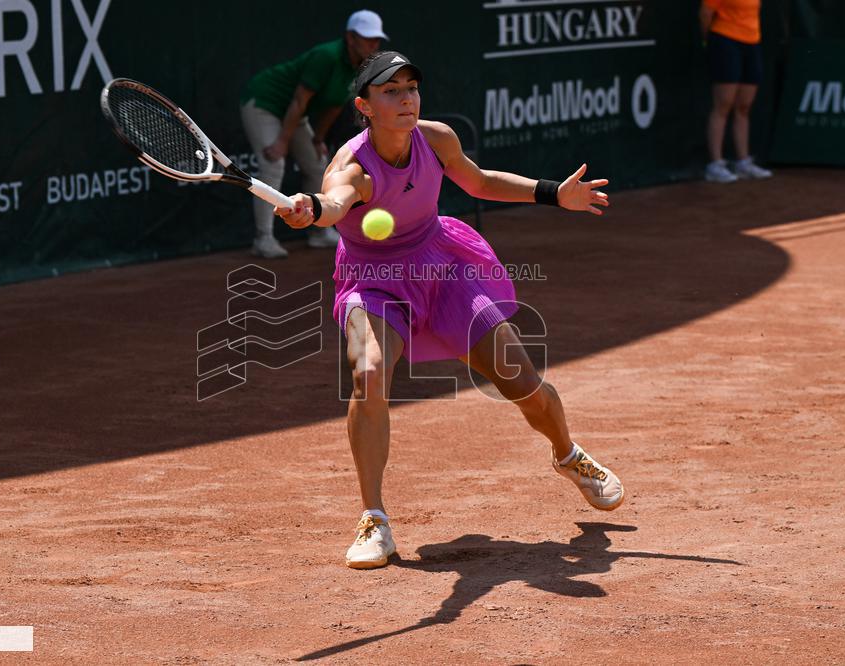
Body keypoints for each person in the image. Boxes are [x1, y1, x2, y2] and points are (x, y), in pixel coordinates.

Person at [273, 51, 624, 570]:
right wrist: (311, 209)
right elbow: (335, 201)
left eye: (411, 87)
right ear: (363, 106)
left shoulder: (435, 139)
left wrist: (553, 194)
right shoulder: (351, 166)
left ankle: (568, 455)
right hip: (375, 281)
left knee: (520, 379)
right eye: (390, 91)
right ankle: (375, 518)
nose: (406, 98)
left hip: (443, 267)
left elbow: (480, 181)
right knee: (368, 374)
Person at [240, 10, 387, 258]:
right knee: (274, 163)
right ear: (351, 38)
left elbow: (335, 105)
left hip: (295, 113)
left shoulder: (360, 67)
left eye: (376, 39)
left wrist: (318, 139)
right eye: (367, 38)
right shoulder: (326, 56)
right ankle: (263, 239)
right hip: (265, 102)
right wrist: (282, 142)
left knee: (319, 165)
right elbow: (299, 100)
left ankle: (319, 233)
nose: (374, 44)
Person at [700, 0, 773, 182]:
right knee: (723, 105)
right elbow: (705, 13)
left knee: (744, 106)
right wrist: (707, 41)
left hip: (752, 42)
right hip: (725, 40)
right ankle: (715, 164)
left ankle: (743, 162)